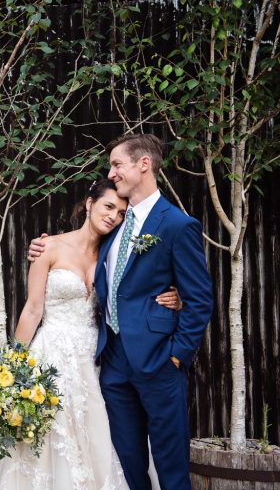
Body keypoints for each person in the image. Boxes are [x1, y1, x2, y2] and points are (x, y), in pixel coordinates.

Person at [0, 179, 183, 489]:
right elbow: (33, 310)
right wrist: (12, 366)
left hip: (95, 360)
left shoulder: (115, 253)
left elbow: (138, 291)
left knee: (99, 438)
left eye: (120, 213)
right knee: (47, 440)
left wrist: (176, 296)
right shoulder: (48, 247)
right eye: (108, 206)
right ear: (90, 204)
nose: (113, 216)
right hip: (52, 357)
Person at [28, 133, 214, 490]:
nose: (111, 173)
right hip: (111, 365)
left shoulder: (177, 225)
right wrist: (42, 247)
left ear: (143, 164)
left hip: (159, 362)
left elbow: (200, 298)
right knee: (127, 465)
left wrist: (177, 356)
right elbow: (86, 261)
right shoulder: (113, 227)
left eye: (116, 164)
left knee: (170, 466)